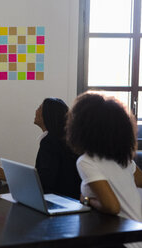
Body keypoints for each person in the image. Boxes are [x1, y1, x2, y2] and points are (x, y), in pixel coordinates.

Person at [66, 93, 142, 241]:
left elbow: (113, 207)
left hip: (124, 239)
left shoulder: (86, 161)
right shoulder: (123, 160)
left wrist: (87, 200)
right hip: (136, 233)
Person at [0, 98, 81, 199]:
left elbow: (44, 182)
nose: (36, 111)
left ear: (48, 114)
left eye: (39, 108)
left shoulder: (50, 142)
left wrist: (10, 176)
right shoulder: (63, 140)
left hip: (57, 201)